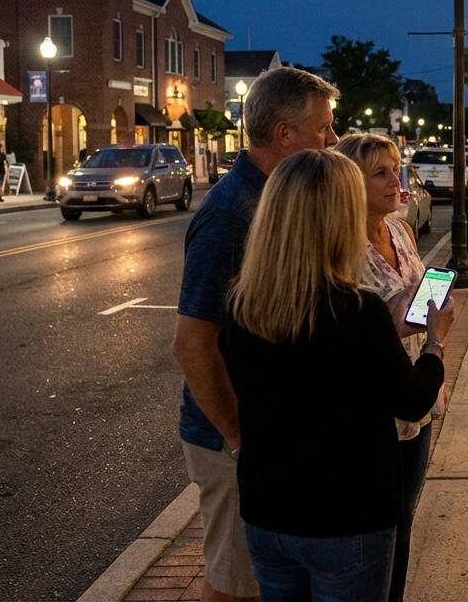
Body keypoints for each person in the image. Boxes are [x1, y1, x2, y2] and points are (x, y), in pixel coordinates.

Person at [226, 149, 449, 602]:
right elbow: (412, 400)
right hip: (348, 515)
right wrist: (435, 343)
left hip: (268, 510)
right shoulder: (355, 309)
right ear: (338, 216)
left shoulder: (243, 305)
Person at [171, 67, 339, 602]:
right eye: (324, 128)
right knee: (236, 582)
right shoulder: (231, 214)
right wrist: (238, 437)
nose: (332, 140)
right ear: (285, 135)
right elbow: (192, 342)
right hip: (232, 439)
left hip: (267, 432)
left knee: (263, 580)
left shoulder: (273, 199)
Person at [334, 133, 450, 602]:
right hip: (372, 409)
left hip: (416, 397)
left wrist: (432, 306)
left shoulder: (400, 229)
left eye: (396, 168)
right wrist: (401, 323)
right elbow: (341, 329)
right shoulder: (338, 246)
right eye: (379, 172)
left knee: (403, 519)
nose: (393, 180)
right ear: (349, 183)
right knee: (375, 530)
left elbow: (418, 293)